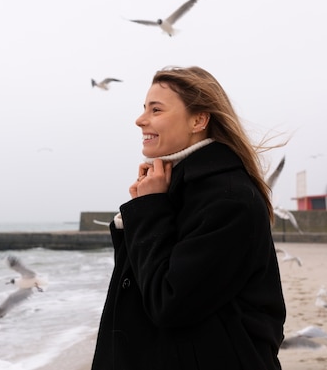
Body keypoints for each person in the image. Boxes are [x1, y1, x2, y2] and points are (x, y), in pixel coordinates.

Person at [91, 66, 286, 370]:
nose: (140, 120)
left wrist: (149, 209)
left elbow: (170, 303)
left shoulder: (229, 199)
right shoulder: (181, 189)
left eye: (156, 110)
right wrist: (146, 207)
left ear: (198, 119)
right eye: (144, 109)